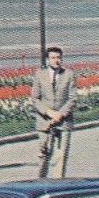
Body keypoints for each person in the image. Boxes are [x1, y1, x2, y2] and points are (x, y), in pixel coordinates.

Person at [29, 46, 77, 179]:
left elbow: (72, 99)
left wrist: (60, 114)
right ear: (47, 60)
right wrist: (49, 113)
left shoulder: (69, 74)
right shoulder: (39, 75)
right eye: (53, 58)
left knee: (61, 156)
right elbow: (35, 99)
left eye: (58, 57)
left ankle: (58, 184)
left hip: (64, 122)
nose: (56, 60)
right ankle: (41, 182)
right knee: (44, 154)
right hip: (45, 122)